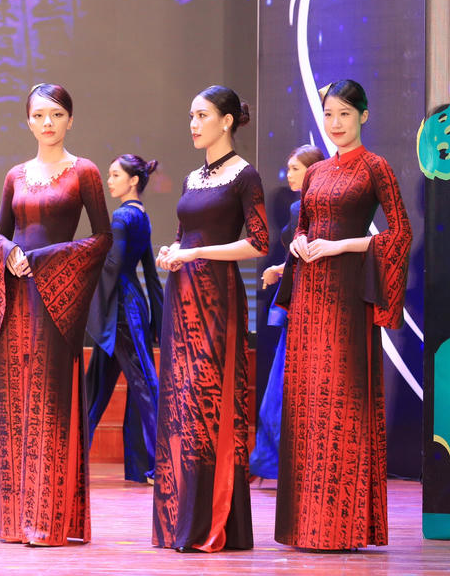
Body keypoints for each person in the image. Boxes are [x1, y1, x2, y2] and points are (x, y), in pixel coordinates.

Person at [275, 80, 412, 550]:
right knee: (307, 402)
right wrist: (299, 243)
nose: (335, 124)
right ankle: (304, 525)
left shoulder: (376, 167)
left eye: (345, 115)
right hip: (309, 297)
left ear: (364, 116)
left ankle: (342, 526)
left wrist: (342, 246)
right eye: (329, 114)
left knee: (342, 401)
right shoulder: (315, 172)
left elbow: (400, 234)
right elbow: (303, 227)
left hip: (346, 296)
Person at [0, 83, 112, 547]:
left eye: (56, 114)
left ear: (70, 120)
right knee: (16, 407)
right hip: (17, 300)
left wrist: (45, 259)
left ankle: (48, 521)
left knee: (50, 406)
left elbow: (102, 238)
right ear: (28, 122)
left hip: (57, 302)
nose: (47, 123)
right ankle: (15, 521)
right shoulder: (15, 175)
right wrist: (11, 253)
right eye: (38, 115)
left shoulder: (85, 171)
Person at [153, 85, 269, 552]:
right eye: (191, 116)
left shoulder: (245, 175)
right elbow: (184, 235)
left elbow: (258, 243)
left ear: (227, 121)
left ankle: (212, 522)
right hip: (181, 296)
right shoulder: (190, 178)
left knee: (208, 402)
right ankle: (179, 521)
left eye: (202, 115)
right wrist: (172, 252)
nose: (194, 124)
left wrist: (196, 253)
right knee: (180, 403)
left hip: (217, 298)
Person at [85, 154, 163, 484]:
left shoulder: (121, 216)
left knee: (144, 384)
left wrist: (87, 301)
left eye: (115, 175)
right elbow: (149, 273)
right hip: (131, 305)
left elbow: (112, 266)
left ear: (133, 181)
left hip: (120, 309)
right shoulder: (141, 215)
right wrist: (157, 317)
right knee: (96, 387)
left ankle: (163, 464)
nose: (109, 180)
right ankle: (72, 458)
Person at [250, 144, 325, 483]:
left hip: (301, 307)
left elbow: (305, 257)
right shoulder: (317, 208)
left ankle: (280, 463)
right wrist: (279, 269)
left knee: (284, 388)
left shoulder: (301, 208)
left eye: (295, 168)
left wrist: (281, 269)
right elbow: (305, 257)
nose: (289, 174)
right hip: (311, 303)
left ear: (312, 171)